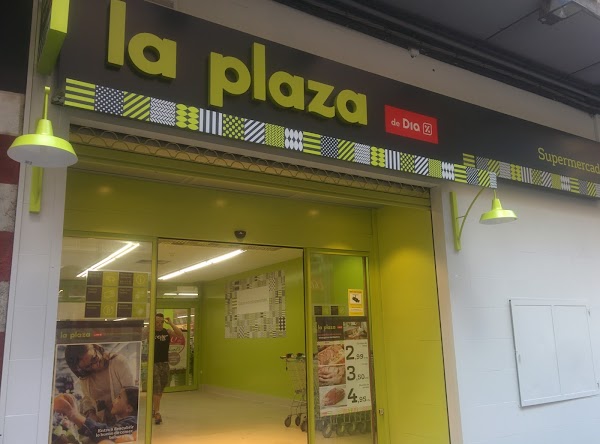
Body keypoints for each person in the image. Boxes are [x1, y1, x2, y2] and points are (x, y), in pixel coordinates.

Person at [64, 344, 136, 426]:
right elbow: (87, 399)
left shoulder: (118, 363)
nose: (95, 366)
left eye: (94, 358)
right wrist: (90, 413)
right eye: (88, 366)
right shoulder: (85, 377)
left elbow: (132, 396)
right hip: (102, 425)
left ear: (96, 348)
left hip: (125, 422)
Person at [54, 386, 138, 443]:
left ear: (129, 408)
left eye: (119, 397)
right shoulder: (124, 421)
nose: (114, 399)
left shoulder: (133, 421)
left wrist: (74, 415)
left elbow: (105, 434)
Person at [151, 313, 183, 424]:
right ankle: (157, 413)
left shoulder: (167, 332)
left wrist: (171, 323)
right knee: (157, 387)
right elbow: (143, 336)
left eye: (161, 321)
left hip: (165, 364)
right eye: (157, 321)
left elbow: (180, 335)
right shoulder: (151, 332)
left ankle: (154, 408)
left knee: (161, 387)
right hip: (154, 363)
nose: (159, 324)